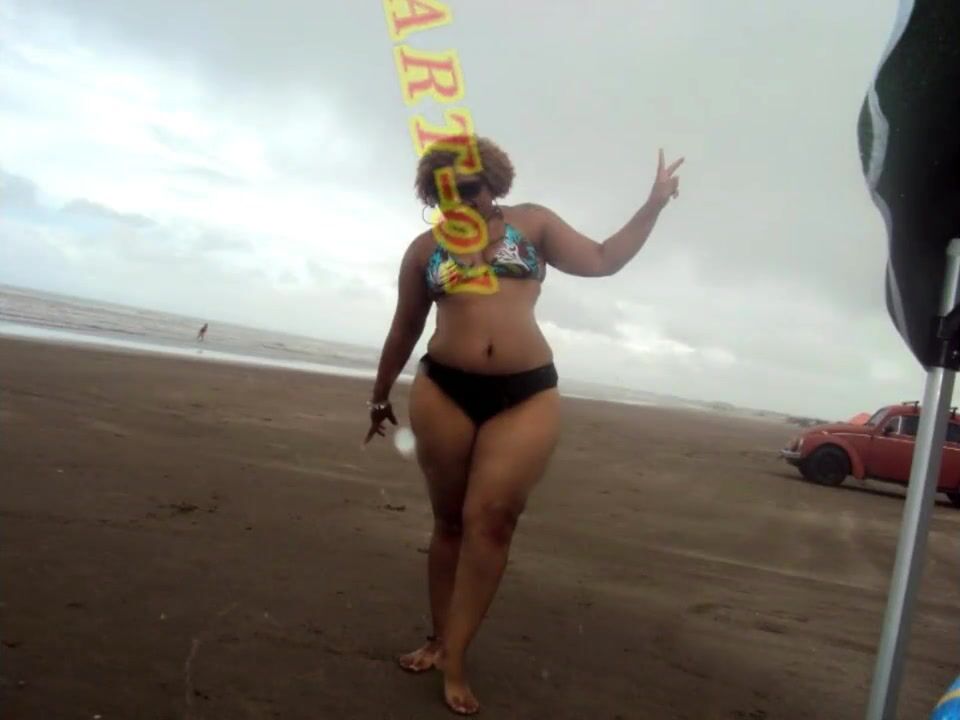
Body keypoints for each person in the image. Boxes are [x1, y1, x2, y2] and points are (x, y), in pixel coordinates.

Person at [365, 136, 682, 715]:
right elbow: (404, 328)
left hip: (526, 393)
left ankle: (457, 656)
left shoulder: (533, 224)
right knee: (450, 523)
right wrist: (379, 394)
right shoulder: (424, 250)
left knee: (493, 520)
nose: (464, 200)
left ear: (494, 181)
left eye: (473, 188)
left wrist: (654, 203)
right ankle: (438, 639)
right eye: (449, 193)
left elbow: (604, 258)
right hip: (443, 390)